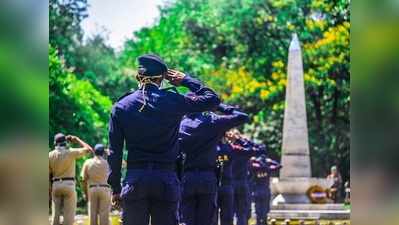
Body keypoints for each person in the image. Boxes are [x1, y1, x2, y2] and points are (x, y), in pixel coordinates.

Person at [107, 54, 220, 225]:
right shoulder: (173, 100)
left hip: (135, 179)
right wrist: (186, 80)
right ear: (162, 78)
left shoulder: (121, 106)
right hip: (166, 179)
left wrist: (115, 188)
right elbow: (213, 100)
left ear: (138, 77)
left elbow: (114, 152)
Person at [179, 103, 249, 225]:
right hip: (207, 178)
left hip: (187, 177)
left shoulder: (181, 124)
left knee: (186, 220)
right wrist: (219, 105)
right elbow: (242, 117)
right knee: (207, 220)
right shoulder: (212, 121)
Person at [49, 133, 93, 225]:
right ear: (65, 142)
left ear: (55, 143)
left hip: (55, 185)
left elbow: (49, 175)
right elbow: (89, 149)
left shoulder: (50, 155)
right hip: (69, 185)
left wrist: (50, 191)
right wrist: (77, 139)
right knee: (68, 218)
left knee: (55, 216)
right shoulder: (71, 152)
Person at [227, 131, 266, 225]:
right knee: (242, 213)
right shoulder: (244, 151)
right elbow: (261, 149)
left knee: (228, 214)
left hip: (228, 184)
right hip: (242, 184)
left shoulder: (226, 150)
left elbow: (217, 162)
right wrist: (242, 140)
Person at [81, 144, 111, 225]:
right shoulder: (108, 163)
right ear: (103, 152)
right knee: (104, 216)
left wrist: (85, 193)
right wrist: (109, 154)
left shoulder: (88, 162)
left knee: (92, 214)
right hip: (105, 189)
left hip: (92, 189)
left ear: (94, 152)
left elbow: (83, 179)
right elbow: (123, 164)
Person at [249, 155, 282, 225]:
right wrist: (270, 161)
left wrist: (255, 160)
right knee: (265, 208)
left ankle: (258, 222)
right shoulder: (268, 168)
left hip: (257, 190)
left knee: (258, 209)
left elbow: (249, 164)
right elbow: (279, 166)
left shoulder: (256, 167)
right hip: (265, 190)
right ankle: (264, 222)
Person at [216, 137, 235, 225]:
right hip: (225, 184)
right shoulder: (228, 148)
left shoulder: (212, 147)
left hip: (216, 184)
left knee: (211, 216)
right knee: (227, 216)